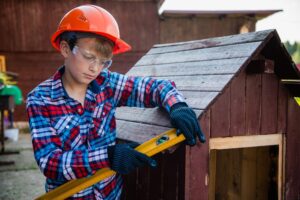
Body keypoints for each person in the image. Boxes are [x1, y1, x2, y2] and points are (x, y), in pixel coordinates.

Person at [26, 5, 205, 199]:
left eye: (104, 61)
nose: (95, 68)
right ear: (65, 48)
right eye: (89, 57)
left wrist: (178, 106)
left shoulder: (107, 84)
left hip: (111, 194)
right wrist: (109, 156)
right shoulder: (40, 100)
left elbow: (155, 88)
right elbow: (50, 163)